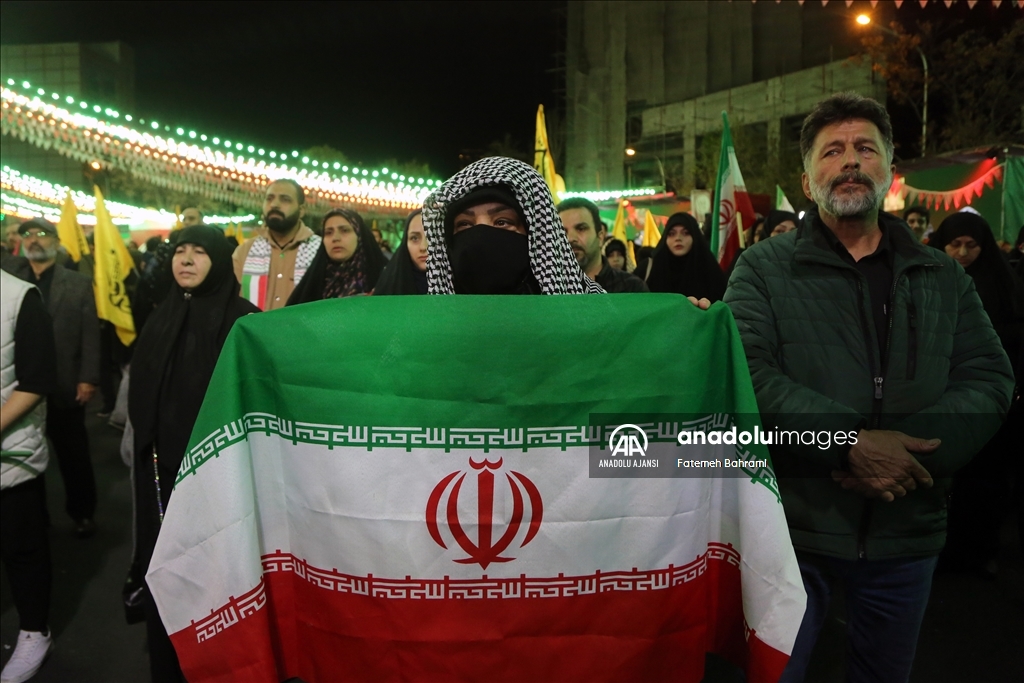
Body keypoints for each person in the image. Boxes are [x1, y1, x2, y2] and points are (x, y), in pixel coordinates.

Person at [725, 92, 1014, 683]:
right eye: (832, 151)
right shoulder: (762, 269)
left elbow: (989, 378)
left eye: (865, 148)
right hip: (793, 534)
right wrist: (850, 440)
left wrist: (906, 457)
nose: (850, 161)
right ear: (808, 180)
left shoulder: (943, 275)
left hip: (907, 532)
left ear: (888, 169)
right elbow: (747, 372)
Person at [128, 225, 259, 682]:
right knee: (166, 570)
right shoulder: (160, 316)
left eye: (199, 252)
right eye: (179, 251)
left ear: (219, 261)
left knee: (215, 573)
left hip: (217, 473)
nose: (185, 259)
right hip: (160, 473)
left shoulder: (243, 321)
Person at [928, 211, 1024, 577]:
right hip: (940, 398)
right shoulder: (930, 278)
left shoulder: (1004, 283)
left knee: (984, 483)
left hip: (989, 402)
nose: (963, 253)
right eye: (955, 245)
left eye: (971, 245)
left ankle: (980, 551)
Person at [7, 219, 102, 539]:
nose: (34, 240)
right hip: (21, 386)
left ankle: (82, 513)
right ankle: (37, 517)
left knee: (73, 456)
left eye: (42, 234)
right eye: (28, 235)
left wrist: (88, 377)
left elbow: (91, 334)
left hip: (64, 384)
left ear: (57, 241)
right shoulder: (11, 280)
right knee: (27, 458)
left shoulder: (76, 282)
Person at [422, 157, 605, 296]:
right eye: (464, 224)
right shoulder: (428, 329)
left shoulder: (596, 317)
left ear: (537, 237)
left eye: (502, 222)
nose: (481, 236)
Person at [1, 269, 58, 683]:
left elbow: (36, 381)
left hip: (12, 458)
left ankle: (35, 631)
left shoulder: (21, 298)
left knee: (22, 548)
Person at [232, 179, 322, 311]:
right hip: (255, 329)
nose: (274, 204)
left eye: (285, 199)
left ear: (301, 210)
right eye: (269, 198)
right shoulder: (245, 251)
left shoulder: (320, 250)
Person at [286, 208, 388, 305]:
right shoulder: (312, 284)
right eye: (328, 233)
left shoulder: (383, 280)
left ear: (359, 236)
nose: (335, 238)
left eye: (345, 230)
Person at [557, 197, 648, 293]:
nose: (570, 238)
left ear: (600, 238)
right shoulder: (547, 290)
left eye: (581, 229)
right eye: (563, 231)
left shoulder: (631, 288)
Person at [636, 212, 727, 302]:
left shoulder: (710, 271)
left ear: (695, 237)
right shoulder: (649, 268)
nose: (678, 238)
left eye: (686, 233)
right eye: (672, 234)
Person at [374, 210, 429, 295]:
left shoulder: (456, 283)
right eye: (414, 238)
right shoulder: (390, 283)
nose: (423, 247)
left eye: (432, 238)